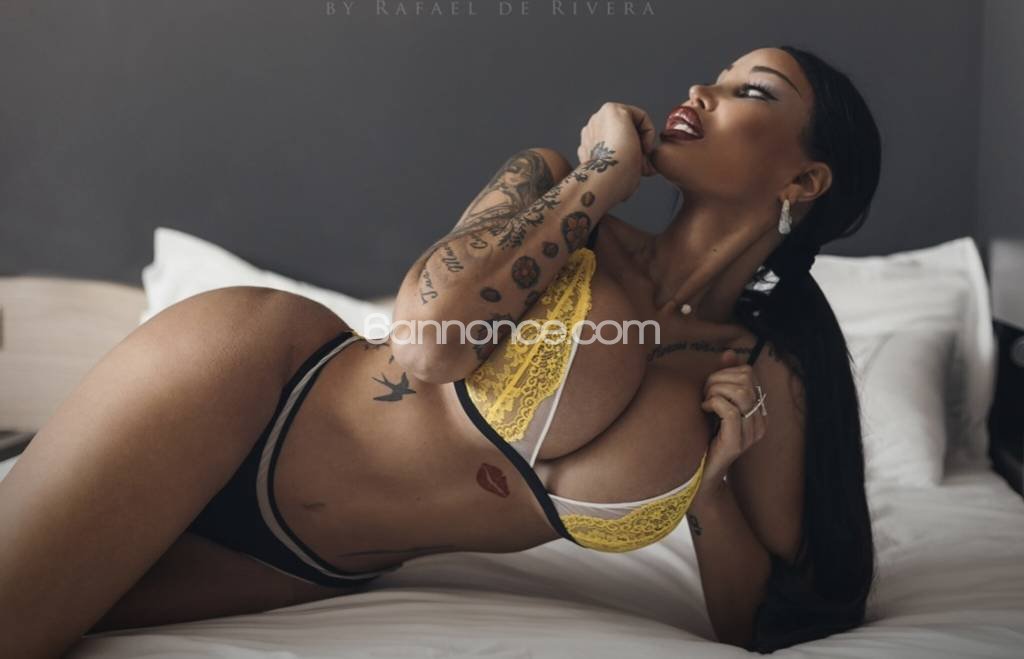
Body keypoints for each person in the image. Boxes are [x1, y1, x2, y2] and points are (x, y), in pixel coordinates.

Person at [0, 45, 879, 657]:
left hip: (306, 561)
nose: (704, 90)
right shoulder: (556, 188)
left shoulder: (757, 369)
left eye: (751, 91)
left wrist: (709, 489)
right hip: (252, 388)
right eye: (716, 77)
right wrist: (596, 179)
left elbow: (757, 627)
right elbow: (428, 342)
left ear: (805, 179)